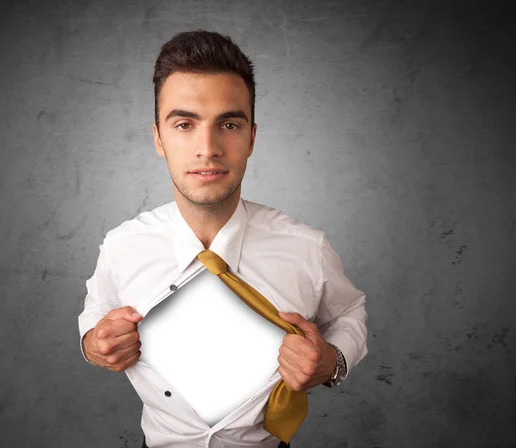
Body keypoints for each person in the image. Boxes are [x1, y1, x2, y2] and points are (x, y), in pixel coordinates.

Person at [78, 29, 368, 448]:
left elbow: (349, 312)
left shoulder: (306, 246)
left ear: (251, 136)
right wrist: (93, 345)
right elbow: (96, 312)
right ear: (158, 138)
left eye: (228, 124)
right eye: (184, 124)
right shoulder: (123, 245)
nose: (208, 148)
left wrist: (333, 363)